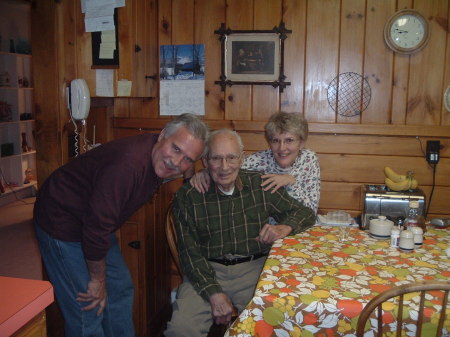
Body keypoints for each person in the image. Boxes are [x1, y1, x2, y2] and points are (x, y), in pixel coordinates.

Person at [33, 113, 209, 337]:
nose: (176, 162)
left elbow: (185, 156)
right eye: (175, 149)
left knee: (120, 289)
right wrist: (97, 280)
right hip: (61, 220)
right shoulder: (129, 166)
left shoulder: (162, 154)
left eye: (187, 159)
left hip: (95, 223)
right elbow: (96, 228)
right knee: (88, 308)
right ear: (163, 135)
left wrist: (189, 176)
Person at [164, 129, 315, 337]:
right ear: (206, 162)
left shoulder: (259, 185)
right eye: (216, 158)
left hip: (255, 269)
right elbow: (189, 254)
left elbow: (304, 213)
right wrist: (213, 293)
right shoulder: (189, 196)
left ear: (241, 158)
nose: (225, 167)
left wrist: (284, 227)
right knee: (181, 329)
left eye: (231, 157)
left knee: (280, 325)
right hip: (206, 270)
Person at [190, 112, 320, 214]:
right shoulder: (258, 161)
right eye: (275, 141)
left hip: (301, 226)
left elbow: (311, 210)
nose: (282, 148)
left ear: (301, 143)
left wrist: (291, 182)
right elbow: (229, 166)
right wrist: (205, 172)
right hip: (267, 233)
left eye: (289, 140)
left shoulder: (309, 160)